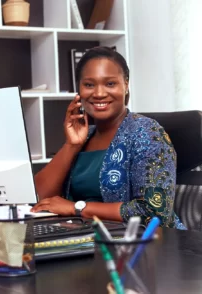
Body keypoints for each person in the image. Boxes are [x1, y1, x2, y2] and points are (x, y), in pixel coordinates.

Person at [31, 46, 186, 229]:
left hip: (144, 247)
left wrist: (77, 208)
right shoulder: (85, 135)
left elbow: (154, 213)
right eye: (89, 85)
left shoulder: (147, 133)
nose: (99, 93)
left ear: (126, 85)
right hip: (87, 241)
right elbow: (39, 200)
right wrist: (71, 145)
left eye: (110, 84)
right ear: (79, 89)